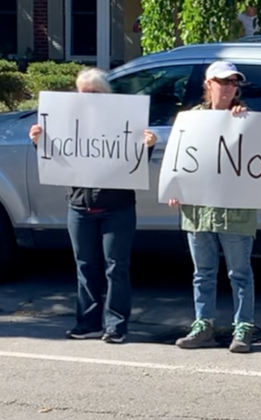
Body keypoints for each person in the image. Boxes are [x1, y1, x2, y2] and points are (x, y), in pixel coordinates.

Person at [28, 67, 158, 344]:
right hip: (79, 207)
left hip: (117, 207)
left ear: (105, 95)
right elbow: (57, 159)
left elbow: (131, 164)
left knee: (116, 267)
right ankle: (88, 323)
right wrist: (39, 142)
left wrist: (146, 146)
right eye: (81, 93)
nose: (85, 98)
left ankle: (116, 326)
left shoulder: (123, 121)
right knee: (85, 266)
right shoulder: (66, 121)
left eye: (92, 93)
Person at [169, 61, 257, 354]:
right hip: (198, 210)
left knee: (240, 273)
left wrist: (245, 121)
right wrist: (173, 187)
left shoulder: (246, 119)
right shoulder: (190, 120)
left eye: (234, 83)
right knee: (203, 272)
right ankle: (202, 325)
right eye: (223, 82)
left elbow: (256, 159)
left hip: (235, 210)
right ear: (208, 85)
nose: (230, 87)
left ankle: (243, 328)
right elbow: (179, 159)